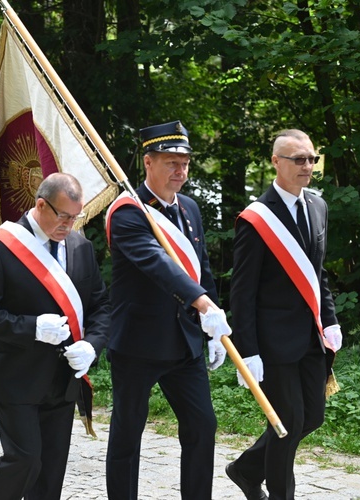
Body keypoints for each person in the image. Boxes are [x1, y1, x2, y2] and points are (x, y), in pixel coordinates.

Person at [105, 120, 231, 500]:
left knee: (202, 426)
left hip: (184, 342)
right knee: (128, 433)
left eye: (185, 163)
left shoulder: (190, 208)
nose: (180, 171)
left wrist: (212, 325)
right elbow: (160, 266)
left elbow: (200, 269)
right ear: (148, 162)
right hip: (139, 344)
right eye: (171, 162)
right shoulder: (128, 212)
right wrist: (204, 304)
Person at [0, 172, 111, 500]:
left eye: (77, 217)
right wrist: (31, 328)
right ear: (41, 205)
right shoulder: (1, 246)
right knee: (24, 460)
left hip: (62, 378)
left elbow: (101, 307)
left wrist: (92, 344)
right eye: (63, 216)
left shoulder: (80, 246)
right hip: (15, 374)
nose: (69, 225)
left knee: (51, 469)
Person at [227, 129, 342, 500]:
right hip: (271, 342)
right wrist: (248, 351)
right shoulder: (256, 218)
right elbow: (242, 292)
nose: (306, 166)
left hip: (311, 336)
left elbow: (317, 273)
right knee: (287, 422)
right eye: (298, 159)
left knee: (312, 417)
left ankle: (245, 469)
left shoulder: (318, 206)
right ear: (276, 162)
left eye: (311, 158)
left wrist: (332, 318)